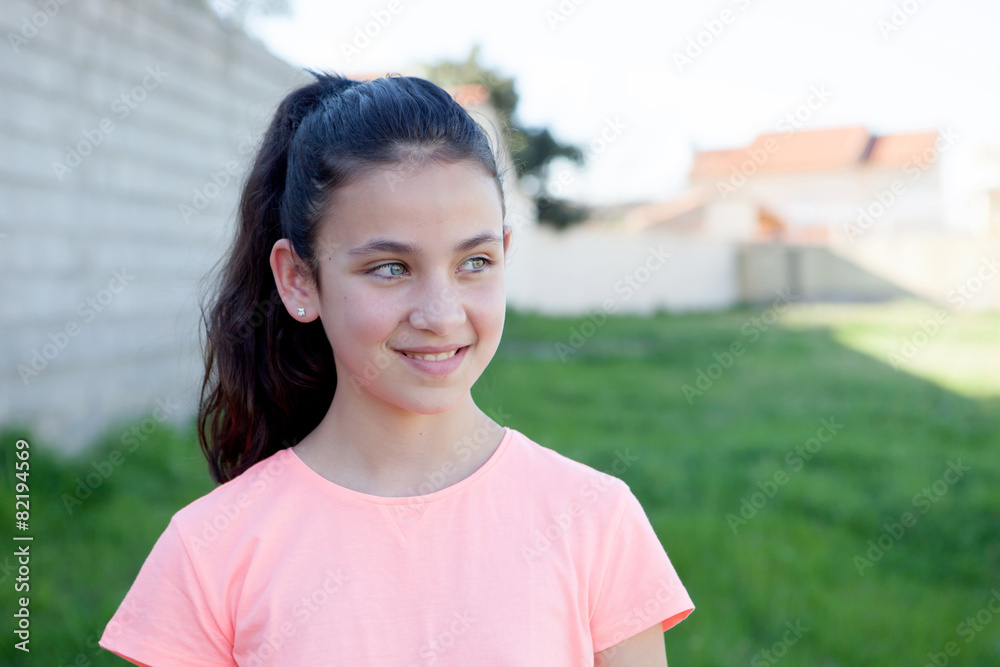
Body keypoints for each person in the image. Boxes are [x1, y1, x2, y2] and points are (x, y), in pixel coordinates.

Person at [99, 71, 694, 666]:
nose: (441, 313)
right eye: (390, 267)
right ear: (298, 280)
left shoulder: (595, 520)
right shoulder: (209, 551)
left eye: (475, 261)